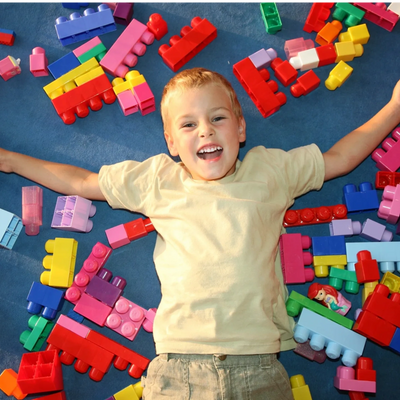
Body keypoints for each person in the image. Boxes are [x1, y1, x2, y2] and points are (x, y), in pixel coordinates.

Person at [1, 68, 400, 400]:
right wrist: (13, 161)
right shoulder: (158, 179)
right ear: (172, 143)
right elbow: (84, 182)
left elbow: (340, 159)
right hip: (178, 370)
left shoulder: (271, 171)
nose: (205, 132)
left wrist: (395, 107)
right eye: (189, 125)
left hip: (259, 367)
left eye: (218, 118)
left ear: (241, 128)